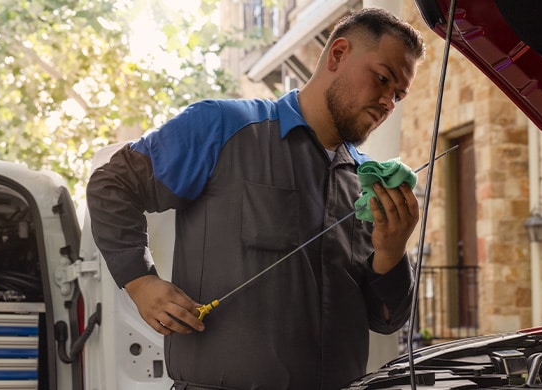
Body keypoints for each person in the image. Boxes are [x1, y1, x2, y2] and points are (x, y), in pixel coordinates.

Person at [87, 8, 426, 389]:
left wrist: (392, 251)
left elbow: (385, 319)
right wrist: (139, 281)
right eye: (382, 79)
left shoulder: (369, 185)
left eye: (398, 94)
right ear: (337, 54)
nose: (388, 102)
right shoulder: (221, 127)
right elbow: (111, 184)